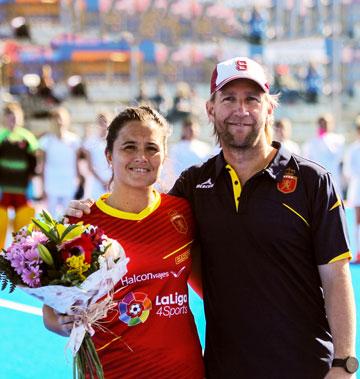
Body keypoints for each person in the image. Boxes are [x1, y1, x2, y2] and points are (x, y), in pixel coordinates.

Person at [66, 57, 357, 378]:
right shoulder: (193, 186)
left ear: (270, 108)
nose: (240, 110)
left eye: (252, 99)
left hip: (305, 365)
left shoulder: (312, 181)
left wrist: (344, 362)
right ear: (210, 109)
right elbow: (140, 216)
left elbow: (336, 276)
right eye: (229, 98)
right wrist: (89, 213)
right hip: (225, 367)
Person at [43, 106, 204, 379]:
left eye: (152, 148)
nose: (141, 157)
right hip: (113, 371)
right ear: (109, 155)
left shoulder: (183, 213)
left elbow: (212, 287)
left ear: (164, 157)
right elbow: (50, 312)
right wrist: (61, 322)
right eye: (129, 147)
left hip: (184, 370)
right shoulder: (81, 224)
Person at [0, 102, 39, 249]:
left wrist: (31, 178)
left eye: (15, 117)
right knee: (1, 222)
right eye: (9, 117)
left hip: (22, 188)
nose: (12, 120)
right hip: (3, 188)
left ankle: (21, 253)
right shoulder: (1, 136)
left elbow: (34, 161)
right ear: (5, 118)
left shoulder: (27, 137)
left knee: (23, 224)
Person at [38, 107, 82, 217]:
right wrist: (42, 187)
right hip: (51, 183)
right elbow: (42, 166)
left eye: (61, 119)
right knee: (51, 217)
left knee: (69, 216)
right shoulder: (45, 141)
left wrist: (79, 180)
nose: (59, 122)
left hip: (69, 183)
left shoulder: (74, 140)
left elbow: (76, 163)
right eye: (56, 119)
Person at [161, 116, 212, 190]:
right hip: (183, 185)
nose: (192, 131)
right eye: (189, 129)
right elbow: (172, 169)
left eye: (194, 129)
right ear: (184, 130)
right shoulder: (176, 148)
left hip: (202, 184)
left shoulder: (205, 147)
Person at [302, 113, 345, 194]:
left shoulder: (338, 139)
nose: (324, 125)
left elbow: (338, 157)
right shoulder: (311, 142)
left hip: (334, 179)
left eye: (326, 123)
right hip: (317, 179)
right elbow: (307, 160)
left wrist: (324, 139)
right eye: (321, 123)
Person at [82, 112, 112, 199]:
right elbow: (90, 167)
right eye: (100, 122)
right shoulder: (90, 141)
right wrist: (102, 181)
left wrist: (111, 180)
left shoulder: (114, 141)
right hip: (96, 182)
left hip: (112, 181)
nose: (103, 124)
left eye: (105, 121)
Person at [343, 115, 360, 263]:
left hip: (357, 186)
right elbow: (348, 171)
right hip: (357, 188)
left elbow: (348, 172)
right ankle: (358, 252)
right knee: (357, 222)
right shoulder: (353, 149)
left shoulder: (353, 149)